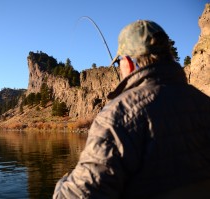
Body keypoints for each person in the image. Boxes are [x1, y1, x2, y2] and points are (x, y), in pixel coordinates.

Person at [53, 20, 210, 199]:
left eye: (119, 62)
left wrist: (63, 183)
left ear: (127, 62)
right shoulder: (204, 103)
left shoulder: (118, 114)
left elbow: (80, 195)